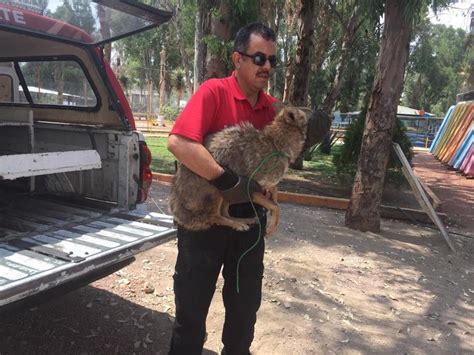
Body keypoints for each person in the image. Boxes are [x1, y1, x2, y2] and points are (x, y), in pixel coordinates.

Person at [167, 22, 278, 355]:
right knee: (191, 316)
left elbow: (268, 160)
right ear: (237, 59)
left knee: (244, 318)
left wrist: (268, 186)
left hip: (249, 224)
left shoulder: (271, 108)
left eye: (272, 60)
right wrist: (226, 180)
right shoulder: (214, 92)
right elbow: (179, 143)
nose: (267, 67)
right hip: (202, 221)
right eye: (259, 58)